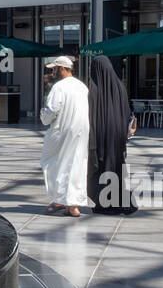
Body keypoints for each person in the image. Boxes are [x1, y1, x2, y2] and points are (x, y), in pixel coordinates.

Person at [38, 55, 93, 217]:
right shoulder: (83, 87)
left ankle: (58, 200)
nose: (53, 72)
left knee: (54, 164)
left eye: (55, 69)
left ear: (62, 69)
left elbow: (52, 110)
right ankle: (73, 205)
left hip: (61, 130)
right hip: (81, 131)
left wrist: (43, 117)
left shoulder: (59, 87)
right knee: (77, 165)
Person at [85, 55, 138, 215]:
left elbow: (90, 117)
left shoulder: (94, 90)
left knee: (101, 168)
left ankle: (104, 203)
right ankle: (118, 201)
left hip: (100, 137)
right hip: (117, 137)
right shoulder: (120, 87)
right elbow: (127, 111)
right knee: (115, 166)